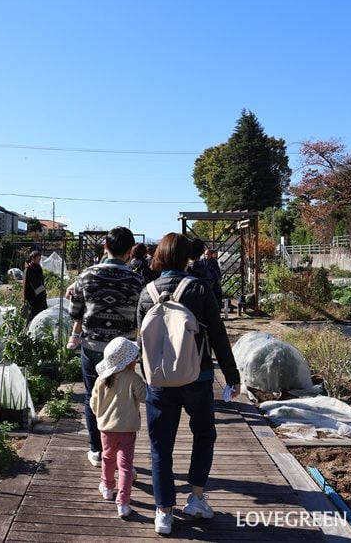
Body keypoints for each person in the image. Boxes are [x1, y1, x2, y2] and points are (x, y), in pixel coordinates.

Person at [137, 233, 241, 536]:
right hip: (198, 375)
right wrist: (232, 377)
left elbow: (140, 338)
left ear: (159, 257)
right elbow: (219, 336)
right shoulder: (199, 288)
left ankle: (163, 512)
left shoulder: (147, 292)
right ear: (186, 258)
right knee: (204, 433)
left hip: (158, 380)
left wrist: (144, 375)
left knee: (160, 446)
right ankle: (196, 498)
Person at [68, 226, 145, 467]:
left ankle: (97, 449)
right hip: (123, 351)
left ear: (105, 248)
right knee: (122, 397)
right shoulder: (136, 280)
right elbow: (140, 317)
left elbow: (75, 311)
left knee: (93, 396)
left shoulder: (86, 276)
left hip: (92, 347)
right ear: (130, 251)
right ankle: (121, 451)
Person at [90, 337, 146, 518]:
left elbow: (93, 404)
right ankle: (123, 502)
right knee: (125, 466)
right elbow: (145, 397)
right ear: (128, 360)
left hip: (106, 429)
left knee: (107, 458)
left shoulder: (101, 380)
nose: (136, 359)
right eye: (134, 357)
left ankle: (107, 487)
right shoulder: (134, 379)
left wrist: (102, 416)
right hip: (127, 429)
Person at [24, 250, 47, 320]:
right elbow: (30, 285)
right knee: (34, 315)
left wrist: (43, 291)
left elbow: (41, 281)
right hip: (33, 297)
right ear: (32, 259)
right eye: (38, 259)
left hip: (40, 294)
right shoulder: (29, 269)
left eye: (40, 259)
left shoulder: (38, 267)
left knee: (42, 314)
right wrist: (41, 290)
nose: (39, 260)